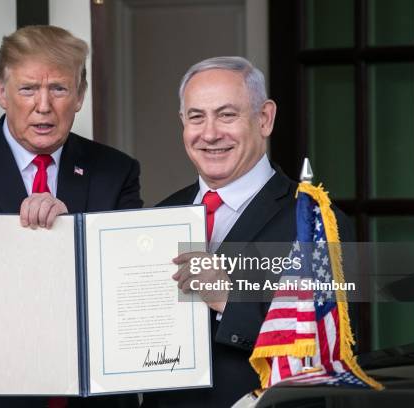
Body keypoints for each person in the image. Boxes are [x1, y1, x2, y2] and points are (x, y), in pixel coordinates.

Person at [0, 25, 142, 408]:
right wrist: (51, 247)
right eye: (28, 88)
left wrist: (69, 230)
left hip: (91, 398)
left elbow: (126, 285)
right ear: (2, 92)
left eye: (59, 89)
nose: (43, 105)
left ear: (80, 95)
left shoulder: (116, 172)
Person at [142, 56, 353, 408]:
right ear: (183, 123)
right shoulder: (162, 215)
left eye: (227, 115)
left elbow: (323, 348)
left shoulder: (317, 222)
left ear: (264, 118)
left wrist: (228, 298)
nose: (209, 133)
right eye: (196, 116)